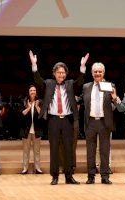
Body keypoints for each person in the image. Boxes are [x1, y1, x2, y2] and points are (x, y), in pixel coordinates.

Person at [29, 50, 89, 185]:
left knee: (68, 148)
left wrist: (82, 67)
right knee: (54, 148)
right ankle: (54, 176)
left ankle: (69, 176)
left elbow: (80, 81)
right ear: (54, 74)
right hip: (53, 120)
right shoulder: (49, 83)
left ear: (66, 74)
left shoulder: (70, 84)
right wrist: (34, 65)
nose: (61, 74)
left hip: (67, 119)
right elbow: (37, 79)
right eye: (58, 72)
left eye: (63, 72)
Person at [82, 62, 115, 184]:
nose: (97, 73)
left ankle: (105, 176)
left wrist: (114, 101)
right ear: (92, 73)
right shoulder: (86, 87)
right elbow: (83, 102)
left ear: (103, 73)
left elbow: (115, 104)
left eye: (100, 71)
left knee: (104, 151)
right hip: (90, 122)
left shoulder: (110, 85)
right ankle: (91, 176)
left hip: (104, 122)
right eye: (95, 71)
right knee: (90, 151)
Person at [19, 85, 44, 174]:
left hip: (37, 130)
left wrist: (37, 106)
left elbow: (42, 115)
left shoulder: (40, 102)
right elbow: (22, 114)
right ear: (28, 92)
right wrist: (29, 107)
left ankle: (38, 168)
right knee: (26, 150)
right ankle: (25, 168)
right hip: (26, 130)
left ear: (36, 92)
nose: (33, 92)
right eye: (31, 90)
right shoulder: (24, 101)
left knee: (37, 150)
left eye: (34, 90)